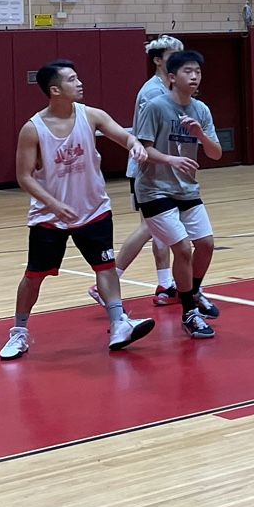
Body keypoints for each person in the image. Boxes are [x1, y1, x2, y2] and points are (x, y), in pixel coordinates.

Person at [1, 60, 155, 361]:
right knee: (34, 275)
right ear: (55, 89)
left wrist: (134, 144)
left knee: (106, 268)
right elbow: (24, 177)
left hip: (93, 209)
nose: (80, 82)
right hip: (49, 216)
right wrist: (54, 203)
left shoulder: (92, 115)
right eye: (73, 79)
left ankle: (119, 323)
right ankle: (18, 333)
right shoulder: (32, 129)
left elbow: (122, 135)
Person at [130, 49, 224, 340]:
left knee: (206, 244)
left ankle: (193, 291)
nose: (194, 76)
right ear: (172, 77)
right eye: (187, 71)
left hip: (186, 187)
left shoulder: (202, 110)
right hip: (154, 189)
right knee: (182, 248)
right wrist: (171, 160)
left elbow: (216, 153)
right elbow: (143, 149)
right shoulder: (155, 107)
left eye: (197, 71)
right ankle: (188, 312)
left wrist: (201, 135)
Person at [93, 35, 183, 309]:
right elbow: (150, 137)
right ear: (158, 60)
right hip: (148, 169)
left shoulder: (170, 88)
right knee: (150, 226)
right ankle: (108, 281)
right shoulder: (153, 93)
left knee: (160, 228)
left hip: (164, 167)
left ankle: (166, 284)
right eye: (172, 56)